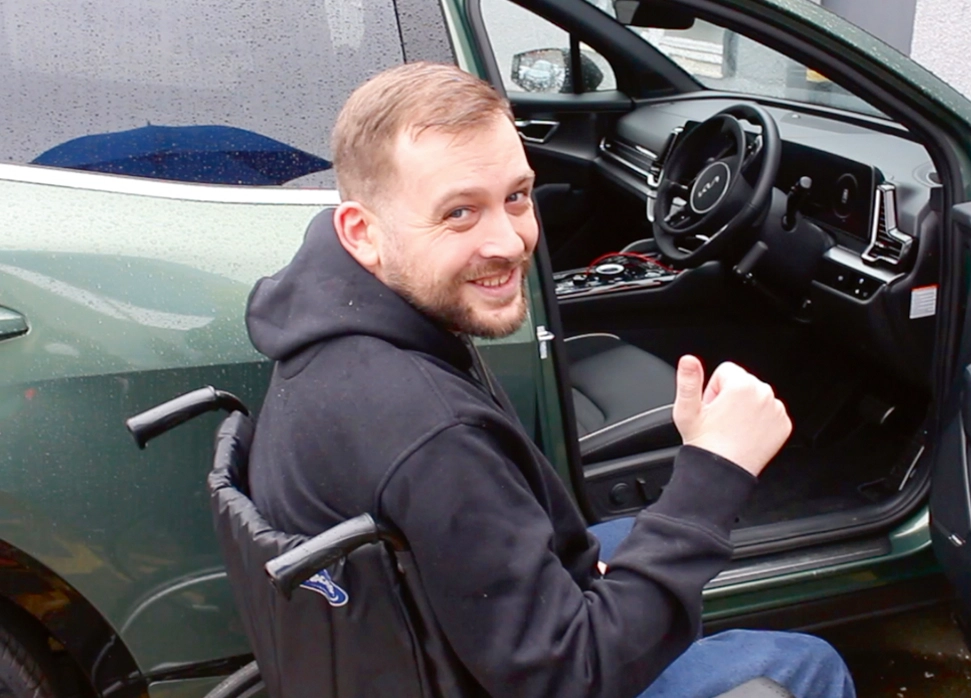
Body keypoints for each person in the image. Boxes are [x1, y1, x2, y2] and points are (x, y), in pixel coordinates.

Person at [245, 61, 854, 698]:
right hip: (511, 675)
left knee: (629, 537)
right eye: (459, 212)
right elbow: (568, 677)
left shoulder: (336, 325)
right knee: (806, 665)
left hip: (418, 638)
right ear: (362, 232)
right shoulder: (429, 433)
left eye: (516, 196)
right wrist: (716, 469)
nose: (509, 242)